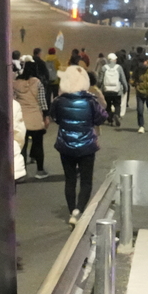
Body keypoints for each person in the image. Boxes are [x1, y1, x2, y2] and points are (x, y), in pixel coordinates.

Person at [50, 65, 106, 224]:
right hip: (86, 145)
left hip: (65, 144)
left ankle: (71, 210)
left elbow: (55, 117)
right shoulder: (90, 100)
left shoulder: (59, 101)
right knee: (86, 181)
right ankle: (78, 210)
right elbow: (102, 117)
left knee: (70, 180)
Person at [13, 57, 51, 179]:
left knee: (22, 146)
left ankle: (22, 171)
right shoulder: (37, 82)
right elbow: (42, 101)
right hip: (35, 117)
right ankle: (40, 171)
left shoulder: (16, 83)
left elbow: (13, 98)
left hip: (21, 117)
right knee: (38, 144)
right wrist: (46, 116)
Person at [97, 52, 128, 129]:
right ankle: (116, 115)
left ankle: (110, 119)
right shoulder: (119, 68)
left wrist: (98, 88)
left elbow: (100, 80)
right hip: (117, 91)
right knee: (117, 104)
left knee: (108, 105)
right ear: (115, 60)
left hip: (106, 91)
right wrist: (125, 88)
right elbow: (123, 79)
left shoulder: (104, 68)